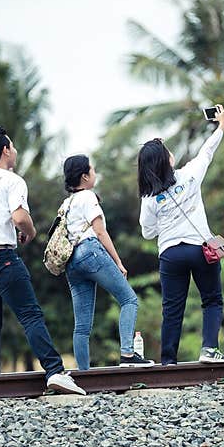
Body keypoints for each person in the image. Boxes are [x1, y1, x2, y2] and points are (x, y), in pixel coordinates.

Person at [0, 125, 85, 395]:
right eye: (12, 147)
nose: (14, 151)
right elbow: (20, 218)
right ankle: (55, 371)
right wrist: (29, 232)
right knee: (30, 315)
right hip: (1, 257)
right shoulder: (12, 180)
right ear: (5, 150)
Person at [137, 103, 224, 366]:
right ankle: (209, 349)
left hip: (170, 254)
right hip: (201, 249)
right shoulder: (189, 175)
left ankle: (168, 363)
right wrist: (221, 126)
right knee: (212, 299)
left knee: (172, 310)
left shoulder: (149, 198)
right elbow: (207, 151)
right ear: (166, 160)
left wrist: (165, 224)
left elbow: (147, 232)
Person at [61, 155, 154, 369]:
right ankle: (128, 354)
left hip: (71, 263)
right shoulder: (87, 196)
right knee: (129, 300)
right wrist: (118, 262)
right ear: (84, 176)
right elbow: (100, 232)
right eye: (92, 170)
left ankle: (83, 374)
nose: (95, 173)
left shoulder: (67, 203)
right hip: (90, 252)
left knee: (82, 326)